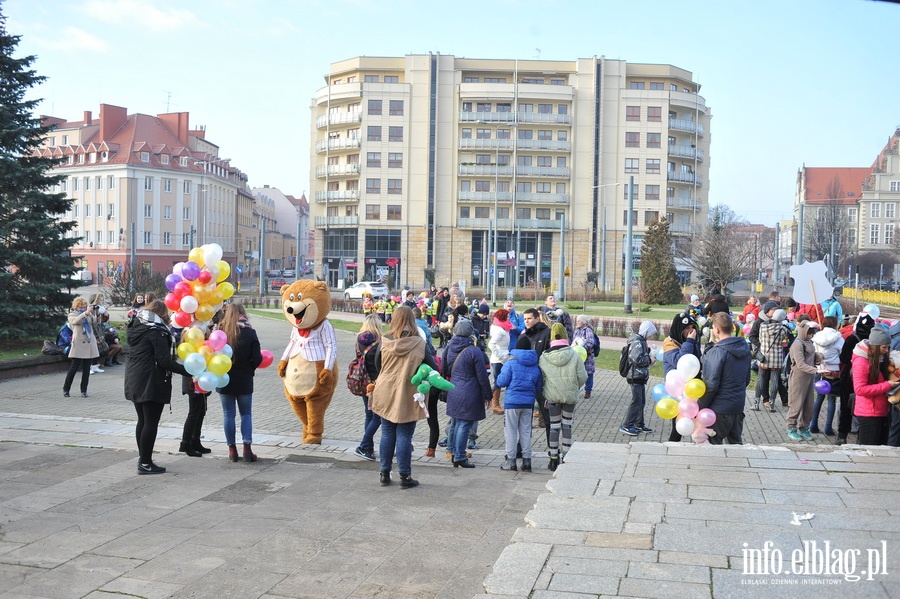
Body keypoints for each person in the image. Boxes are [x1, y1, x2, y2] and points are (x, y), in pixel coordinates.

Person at [370, 306, 438, 487]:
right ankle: (405, 476)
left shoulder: (384, 341)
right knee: (405, 435)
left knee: (387, 432)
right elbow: (434, 368)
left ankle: (384, 473)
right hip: (408, 392)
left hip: (385, 390)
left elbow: (377, 364)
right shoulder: (419, 343)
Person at [124, 300, 189, 474]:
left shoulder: (136, 326)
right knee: (150, 422)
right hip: (151, 380)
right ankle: (145, 463)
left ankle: (143, 458)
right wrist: (189, 371)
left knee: (143, 420)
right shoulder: (157, 332)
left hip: (134, 378)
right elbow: (165, 361)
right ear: (162, 314)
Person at [442, 319, 492, 468]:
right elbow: (482, 376)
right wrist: (488, 395)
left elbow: (443, 369)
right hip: (470, 390)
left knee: (455, 422)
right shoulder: (474, 351)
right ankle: (459, 456)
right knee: (464, 424)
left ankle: (451, 451)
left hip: (453, 388)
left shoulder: (448, 347)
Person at [217, 303, 263, 462]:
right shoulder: (250, 332)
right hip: (244, 380)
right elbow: (257, 358)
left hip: (224, 379)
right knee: (246, 414)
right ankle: (247, 448)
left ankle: (232, 450)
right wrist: (249, 369)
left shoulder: (220, 332)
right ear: (243, 313)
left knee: (228, 415)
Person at [698, 312, 752, 444]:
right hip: (737, 406)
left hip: (718, 410)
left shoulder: (717, 352)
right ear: (732, 327)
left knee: (712, 446)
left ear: (716, 329)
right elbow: (746, 379)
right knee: (736, 446)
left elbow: (711, 385)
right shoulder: (744, 348)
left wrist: (699, 406)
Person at [540, 323, 587, 470]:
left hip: (552, 396)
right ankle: (566, 455)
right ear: (566, 337)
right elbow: (583, 376)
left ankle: (553, 458)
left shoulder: (544, 356)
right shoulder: (574, 354)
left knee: (554, 426)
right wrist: (574, 387)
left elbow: (542, 377)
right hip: (569, 396)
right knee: (567, 424)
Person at [495, 335, 542, 472]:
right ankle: (527, 462)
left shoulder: (510, 363)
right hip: (528, 403)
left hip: (512, 403)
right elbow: (539, 386)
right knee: (526, 432)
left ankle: (511, 461)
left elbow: (501, 382)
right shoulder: (536, 365)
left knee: (510, 432)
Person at [850, 326, 897, 445]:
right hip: (868, 413)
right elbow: (860, 389)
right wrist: (887, 385)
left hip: (880, 411)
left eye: (887, 347)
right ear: (875, 346)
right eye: (884, 347)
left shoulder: (877, 359)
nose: (886, 350)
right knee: (868, 451)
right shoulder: (861, 362)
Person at [836, 313, 875, 445]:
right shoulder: (874, 342)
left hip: (849, 378)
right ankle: (860, 435)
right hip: (868, 376)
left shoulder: (852, 339)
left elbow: (843, 359)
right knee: (864, 408)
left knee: (845, 408)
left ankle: (842, 436)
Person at [663, 312, 701, 442]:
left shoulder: (691, 341)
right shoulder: (669, 343)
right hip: (677, 391)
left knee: (696, 423)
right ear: (679, 329)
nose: (691, 331)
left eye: (693, 327)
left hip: (692, 389)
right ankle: (672, 446)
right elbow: (680, 361)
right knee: (679, 425)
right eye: (687, 328)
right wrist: (690, 341)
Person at [749, 301, 790, 412]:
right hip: (776, 358)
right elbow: (785, 341)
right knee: (774, 381)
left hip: (764, 356)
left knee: (761, 380)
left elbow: (761, 339)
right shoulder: (783, 329)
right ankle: (771, 403)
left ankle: (756, 403)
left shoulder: (762, 326)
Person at [786, 320, 823, 441]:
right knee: (796, 403)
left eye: (812, 333)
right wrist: (816, 371)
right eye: (809, 333)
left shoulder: (809, 342)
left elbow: (809, 357)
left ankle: (804, 427)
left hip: (809, 378)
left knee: (808, 405)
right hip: (798, 377)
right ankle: (791, 427)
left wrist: (818, 357)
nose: (811, 335)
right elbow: (800, 364)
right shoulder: (797, 344)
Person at [353, 315, 383, 461]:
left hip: (363, 382)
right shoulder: (379, 343)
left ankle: (368, 449)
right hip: (375, 384)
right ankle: (363, 446)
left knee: (369, 415)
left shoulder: (359, 340)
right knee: (377, 417)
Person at [619, 321, 656, 436]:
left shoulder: (641, 342)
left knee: (641, 401)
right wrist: (650, 360)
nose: (650, 336)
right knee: (636, 401)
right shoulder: (637, 342)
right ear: (645, 331)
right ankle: (627, 425)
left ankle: (639, 424)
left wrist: (648, 351)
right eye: (650, 333)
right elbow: (636, 359)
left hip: (639, 376)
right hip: (635, 376)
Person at [810, 316, 844, 435]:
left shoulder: (816, 337)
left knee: (819, 397)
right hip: (833, 371)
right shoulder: (838, 338)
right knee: (831, 398)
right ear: (835, 324)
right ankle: (828, 427)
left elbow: (813, 352)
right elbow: (842, 354)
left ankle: (813, 424)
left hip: (820, 370)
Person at [62, 297, 100, 398]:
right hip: (78, 343)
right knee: (74, 367)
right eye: (81, 306)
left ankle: (84, 390)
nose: (83, 307)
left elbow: (95, 323)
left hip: (89, 342)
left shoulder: (88, 313)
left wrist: (97, 313)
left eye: (84, 306)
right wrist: (85, 313)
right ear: (76, 306)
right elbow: (75, 321)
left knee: (87, 369)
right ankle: (66, 388)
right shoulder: (72, 314)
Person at [488, 308, 513, 415]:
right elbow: (491, 344)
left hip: (504, 356)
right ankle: (495, 404)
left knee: (505, 380)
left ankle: (503, 403)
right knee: (498, 381)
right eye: (507, 316)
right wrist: (500, 355)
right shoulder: (499, 330)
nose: (509, 318)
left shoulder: (502, 327)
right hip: (499, 359)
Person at [572, 315, 596, 399]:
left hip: (587, 356)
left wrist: (581, 348)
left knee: (588, 373)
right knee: (576, 373)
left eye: (579, 321)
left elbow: (590, 343)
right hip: (577, 356)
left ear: (584, 322)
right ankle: (576, 390)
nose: (577, 322)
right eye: (577, 321)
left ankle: (588, 391)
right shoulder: (576, 331)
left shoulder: (588, 330)